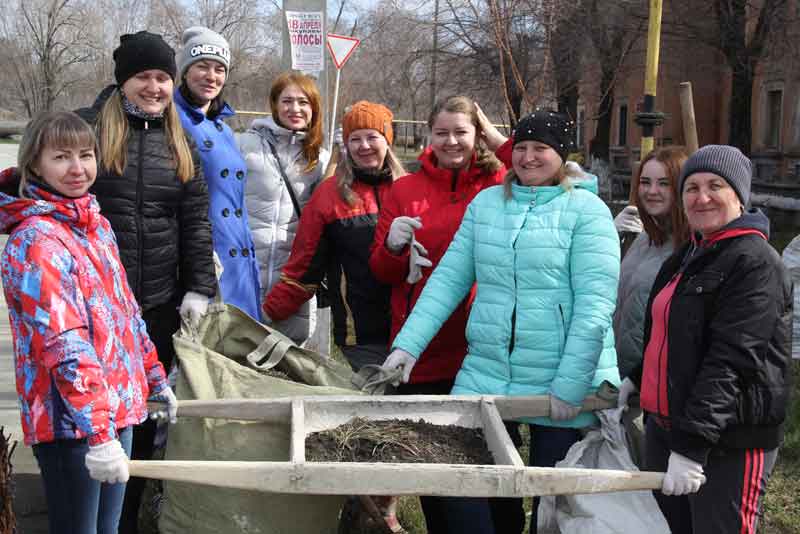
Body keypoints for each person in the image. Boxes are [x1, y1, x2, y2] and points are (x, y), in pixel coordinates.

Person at [381, 110, 621, 534]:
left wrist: (569, 385)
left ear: (561, 156)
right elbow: (450, 278)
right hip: (487, 369)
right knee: (463, 483)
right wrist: (408, 345)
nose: (528, 157)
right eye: (522, 147)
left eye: (540, 148)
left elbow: (594, 307)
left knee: (557, 504)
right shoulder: (488, 203)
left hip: (562, 378)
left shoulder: (587, 211)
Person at [0, 111, 177, 534]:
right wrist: (97, 434)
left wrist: (153, 377)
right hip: (71, 425)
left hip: (116, 409)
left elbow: (125, 314)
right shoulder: (36, 240)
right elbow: (65, 344)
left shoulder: (94, 225)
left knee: (109, 528)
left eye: (86, 155)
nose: (77, 168)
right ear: (35, 165)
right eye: (61, 157)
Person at [77, 30, 216, 534]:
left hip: (155, 307)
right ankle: (82, 512)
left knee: (138, 415)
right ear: (123, 82)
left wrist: (199, 287)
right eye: (144, 77)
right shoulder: (88, 131)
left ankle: (127, 515)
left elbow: (196, 221)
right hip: (92, 308)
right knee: (93, 414)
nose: (155, 87)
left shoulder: (180, 143)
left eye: (163, 77)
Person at [617, 145, 791, 533]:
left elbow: (732, 360)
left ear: (740, 196)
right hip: (669, 428)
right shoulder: (690, 254)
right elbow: (672, 333)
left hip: (728, 442)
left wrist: (691, 448)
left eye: (716, 186)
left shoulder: (755, 262)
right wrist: (637, 376)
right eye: (691, 187)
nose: (702, 197)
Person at [368, 96, 506, 532]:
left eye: (462, 132)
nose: (451, 142)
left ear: (478, 135)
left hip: (483, 348)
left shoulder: (499, 183)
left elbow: (539, 155)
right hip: (421, 349)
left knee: (490, 459)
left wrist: (491, 130)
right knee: (433, 461)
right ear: (429, 135)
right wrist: (392, 245)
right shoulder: (404, 189)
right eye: (442, 132)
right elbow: (381, 271)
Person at [263, 101, 404, 371]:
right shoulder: (329, 195)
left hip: (415, 330)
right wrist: (267, 315)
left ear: (387, 139)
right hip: (360, 333)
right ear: (346, 145)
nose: (364, 146)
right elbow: (303, 269)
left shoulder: (409, 189)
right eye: (355, 139)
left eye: (372, 137)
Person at [174, 26, 261, 319]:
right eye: (202, 66)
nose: (212, 76)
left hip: (238, 259)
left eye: (219, 69)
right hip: (204, 263)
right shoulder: (171, 119)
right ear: (184, 71)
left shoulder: (224, 127)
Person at [239, 72, 329, 344]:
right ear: (274, 105)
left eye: (303, 102)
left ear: (314, 108)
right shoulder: (245, 145)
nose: (295, 109)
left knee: (284, 363)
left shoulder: (321, 160)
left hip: (290, 280)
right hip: (245, 273)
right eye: (287, 101)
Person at [613, 147, 689, 379]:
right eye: (645, 182)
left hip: (654, 382)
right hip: (618, 376)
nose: (652, 191)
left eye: (664, 183)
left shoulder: (690, 248)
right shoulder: (644, 239)